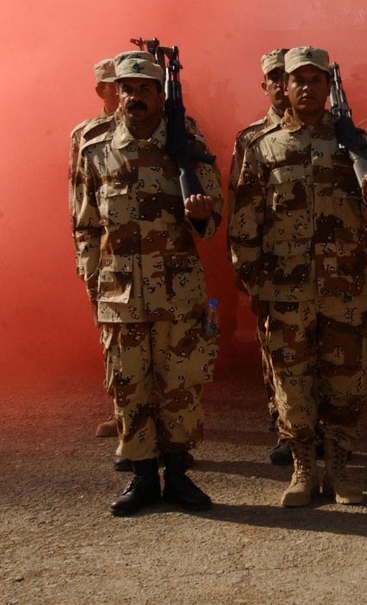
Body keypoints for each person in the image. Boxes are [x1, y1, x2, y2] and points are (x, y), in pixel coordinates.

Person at [229, 46, 367, 508]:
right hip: (285, 291)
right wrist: (254, 285)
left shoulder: (353, 142)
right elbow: (245, 224)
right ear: (286, 85)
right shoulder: (263, 146)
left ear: (327, 86)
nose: (307, 88)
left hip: (344, 289)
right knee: (292, 385)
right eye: (299, 80)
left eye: (317, 80)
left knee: (347, 384)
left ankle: (338, 469)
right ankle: (302, 470)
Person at [71, 50, 223, 516]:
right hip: (119, 295)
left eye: (144, 89)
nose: (135, 97)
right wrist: (94, 283)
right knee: (128, 385)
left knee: (180, 384)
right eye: (127, 88)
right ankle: (141, 478)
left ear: (160, 95)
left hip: (178, 294)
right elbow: (85, 224)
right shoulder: (95, 149)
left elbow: (212, 220)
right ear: (115, 93)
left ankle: (177, 474)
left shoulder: (187, 145)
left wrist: (201, 214)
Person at [228, 48, 293, 466]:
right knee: (275, 349)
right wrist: (244, 269)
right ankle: (284, 421)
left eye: (290, 77)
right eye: (275, 78)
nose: (284, 85)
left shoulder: (331, 133)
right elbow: (239, 206)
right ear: (264, 84)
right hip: (270, 265)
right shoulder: (250, 139)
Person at [69, 59, 122, 452]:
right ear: (100, 91)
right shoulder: (86, 135)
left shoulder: (158, 127)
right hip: (106, 253)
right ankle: (123, 410)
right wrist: (86, 259)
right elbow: (79, 201)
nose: (122, 91)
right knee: (113, 336)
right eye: (113, 85)